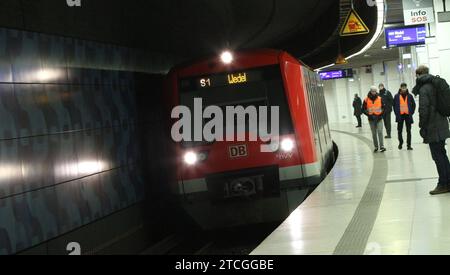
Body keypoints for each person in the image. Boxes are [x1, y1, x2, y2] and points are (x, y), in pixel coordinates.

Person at [412, 65, 450, 195]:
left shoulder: (424, 89)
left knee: (438, 156)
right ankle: (447, 182)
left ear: (418, 75)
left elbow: (424, 110)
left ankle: (443, 184)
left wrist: (422, 126)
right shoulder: (436, 84)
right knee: (442, 154)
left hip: (433, 127)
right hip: (443, 124)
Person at [363, 86, 386, 153]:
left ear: (376, 91)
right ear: (370, 91)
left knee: (380, 131)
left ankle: (382, 146)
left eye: (375, 91)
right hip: (371, 119)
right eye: (372, 91)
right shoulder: (366, 99)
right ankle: (376, 146)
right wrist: (369, 115)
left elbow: (384, 108)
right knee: (374, 133)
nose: (374, 92)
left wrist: (380, 115)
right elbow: (363, 109)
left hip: (379, 118)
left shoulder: (380, 98)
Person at [393, 83, 416, 150]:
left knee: (408, 131)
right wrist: (396, 113)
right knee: (399, 130)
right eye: (402, 87)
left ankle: (409, 145)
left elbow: (413, 105)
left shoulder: (410, 96)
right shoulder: (396, 96)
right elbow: (394, 105)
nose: (404, 89)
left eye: (405, 87)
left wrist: (411, 112)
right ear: (400, 88)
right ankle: (400, 143)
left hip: (408, 115)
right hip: (400, 116)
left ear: (406, 88)